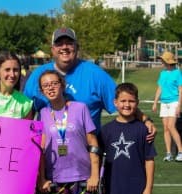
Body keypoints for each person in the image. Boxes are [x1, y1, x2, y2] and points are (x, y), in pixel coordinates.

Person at [23, 27, 156, 138]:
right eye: (59, 44)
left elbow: (123, 102)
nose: (64, 47)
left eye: (69, 43)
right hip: (48, 154)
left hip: (85, 154)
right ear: (52, 49)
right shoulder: (38, 76)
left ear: (77, 47)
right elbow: (26, 113)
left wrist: (145, 120)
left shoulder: (95, 74)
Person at [38, 70, 99, 194]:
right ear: (42, 90)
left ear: (62, 85)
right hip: (54, 179)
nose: (50, 88)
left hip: (82, 177)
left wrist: (95, 175)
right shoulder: (42, 113)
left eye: (54, 83)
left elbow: (93, 143)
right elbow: (41, 150)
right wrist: (42, 178)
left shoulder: (80, 108)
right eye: (46, 85)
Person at [100, 82, 156, 194]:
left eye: (131, 101)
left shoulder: (143, 129)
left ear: (137, 103)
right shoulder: (106, 130)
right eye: (123, 101)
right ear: (115, 102)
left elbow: (149, 160)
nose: (127, 105)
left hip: (138, 187)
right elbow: (99, 160)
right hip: (112, 187)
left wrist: (148, 187)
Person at [152, 51, 182, 161]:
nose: (161, 61)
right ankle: (169, 154)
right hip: (164, 103)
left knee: (171, 126)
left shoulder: (178, 73)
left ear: (168, 61)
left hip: (174, 102)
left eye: (163, 60)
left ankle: (180, 152)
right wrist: (155, 102)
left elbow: (180, 89)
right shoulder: (162, 73)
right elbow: (160, 88)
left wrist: (179, 105)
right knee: (166, 129)